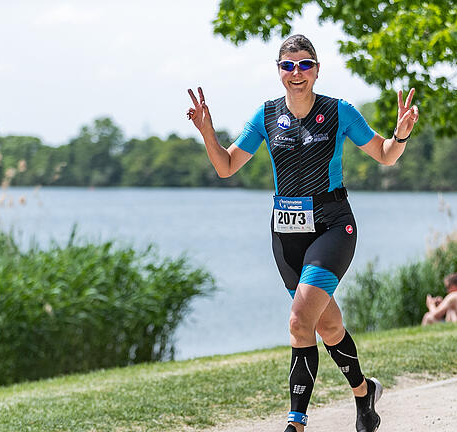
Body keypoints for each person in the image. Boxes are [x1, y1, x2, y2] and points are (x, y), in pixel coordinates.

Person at [187, 34, 418, 432]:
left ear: (317, 69)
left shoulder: (339, 110)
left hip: (332, 226)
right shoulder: (265, 115)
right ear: (279, 71)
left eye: (305, 64)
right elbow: (226, 166)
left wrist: (399, 136)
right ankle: (365, 394)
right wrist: (208, 133)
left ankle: (296, 422)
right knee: (327, 326)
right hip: (286, 235)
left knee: (298, 322)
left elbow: (384, 155)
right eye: (288, 65)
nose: (297, 73)